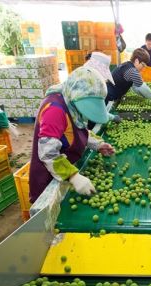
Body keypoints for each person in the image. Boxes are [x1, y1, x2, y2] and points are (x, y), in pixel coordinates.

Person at [29, 67, 115, 202]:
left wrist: (97, 144)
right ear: (77, 95)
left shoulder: (71, 102)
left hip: (65, 169)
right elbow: (47, 153)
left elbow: (77, 129)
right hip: (49, 177)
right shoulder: (54, 110)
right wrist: (73, 176)